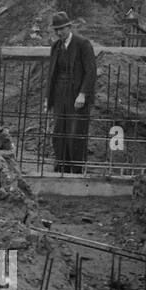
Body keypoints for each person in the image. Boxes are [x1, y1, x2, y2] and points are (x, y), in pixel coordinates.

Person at [43, 11, 96, 173]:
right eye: (56, 30)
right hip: (60, 94)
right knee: (59, 131)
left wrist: (83, 94)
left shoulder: (82, 44)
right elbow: (52, 73)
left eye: (62, 29)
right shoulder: (56, 47)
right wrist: (48, 98)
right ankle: (62, 166)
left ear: (69, 27)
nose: (59, 33)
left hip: (76, 95)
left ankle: (76, 169)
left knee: (75, 132)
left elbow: (91, 71)